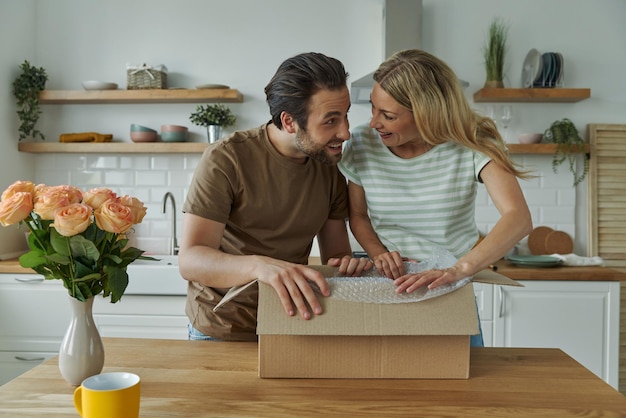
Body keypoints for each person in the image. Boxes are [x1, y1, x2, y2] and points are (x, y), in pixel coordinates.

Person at [338, 49, 533, 345]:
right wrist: (378, 253)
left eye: (388, 115)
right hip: (383, 282)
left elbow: (517, 218)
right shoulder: (363, 143)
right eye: (373, 109)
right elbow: (359, 215)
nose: (374, 122)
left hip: (447, 287)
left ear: (428, 114)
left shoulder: (473, 141)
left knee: (461, 384)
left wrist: (459, 269)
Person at [178, 52, 371, 342]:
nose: (344, 132)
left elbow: (335, 259)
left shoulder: (328, 166)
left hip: (292, 323)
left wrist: (350, 265)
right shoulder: (227, 158)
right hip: (221, 327)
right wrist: (259, 266)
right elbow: (191, 260)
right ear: (290, 121)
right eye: (330, 120)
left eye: (345, 115)